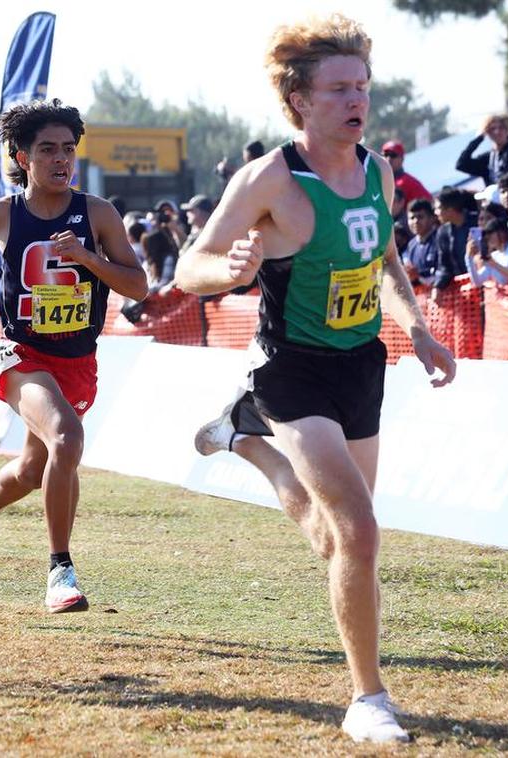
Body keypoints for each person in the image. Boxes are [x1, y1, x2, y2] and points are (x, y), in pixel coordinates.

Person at [173, 15, 455, 744]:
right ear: (298, 99)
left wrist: (416, 328)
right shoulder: (270, 178)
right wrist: (226, 273)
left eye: (362, 85)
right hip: (291, 369)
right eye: (337, 89)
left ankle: (245, 441)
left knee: (335, 543)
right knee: (361, 531)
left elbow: (385, 263)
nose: (355, 100)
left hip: (362, 364)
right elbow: (188, 268)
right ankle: (369, 700)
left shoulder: (380, 172)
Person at [0, 98, 147, 613]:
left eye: (68, 149)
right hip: (22, 354)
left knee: (38, 467)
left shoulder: (97, 213)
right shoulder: (1, 213)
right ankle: (61, 571)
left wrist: (87, 258)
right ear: (22, 157)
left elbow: (138, 286)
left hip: (77, 360)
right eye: (48, 150)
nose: (61, 159)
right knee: (67, 437)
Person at [455, 113, 508, 187]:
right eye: (492, 129)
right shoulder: (488, 158)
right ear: (487, 132)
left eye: (501, 128)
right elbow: (461, 164)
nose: (497, 132)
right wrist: (479, 138)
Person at [465, 218, 508, 286]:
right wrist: (469, 257)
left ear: (502, 232)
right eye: (486, 235)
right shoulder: (494, 255)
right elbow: (477, 282)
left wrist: (493, 264)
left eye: (491, 233)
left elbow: (504, 280)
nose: (488, 238)